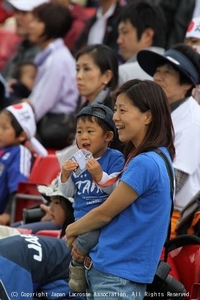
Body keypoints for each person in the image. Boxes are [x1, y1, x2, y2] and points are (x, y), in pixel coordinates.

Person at [65, 79, 175, 299]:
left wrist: (72, 229)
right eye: (115, 109)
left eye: (122, 110)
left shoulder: (145, 162)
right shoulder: (157, 157)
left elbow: (105, 213)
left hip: (116, 275)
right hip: (117, 272)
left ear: (148, 116)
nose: (115, 117)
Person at [58, 103, 125, 292]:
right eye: (79, 132)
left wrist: (99, 175)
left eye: (90, 131)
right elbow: (68, 192)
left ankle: (76, 261)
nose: (83, 136)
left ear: (108, 136)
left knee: (88, 239)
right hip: (81, 217)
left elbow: (116, 191)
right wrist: (64, 175)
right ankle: (77, 265)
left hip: (103, 218)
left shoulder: (115, 158)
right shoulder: (77, 158)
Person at [137, 43, 200, 238]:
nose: (157, 77)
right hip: (149, 209)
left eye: (168, 72)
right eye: (157, 71)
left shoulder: (193, 121)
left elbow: (173, 183)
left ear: (187, 84)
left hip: (175, 219)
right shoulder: (157, 112)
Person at [22, 2, 79, 149]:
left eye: (38, 21)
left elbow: (39, 106)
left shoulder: (58, 59)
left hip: (56, 126)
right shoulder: (51, 56)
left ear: (52, 26)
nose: (31, 25)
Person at [0, 102, 47, 225]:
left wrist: (7, 214)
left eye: (4, 128)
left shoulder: (20, 152)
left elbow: (18, 187)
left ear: (22, 135)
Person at [75, 43, 123, 151]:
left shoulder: (114, 110)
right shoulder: (86, 106)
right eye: (77, 69)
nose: (79, 76)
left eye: (86, 69)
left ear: (106, 76)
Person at [118, 1, 167, 85]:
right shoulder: (176, 74)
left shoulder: (123, 73)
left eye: (125, 32)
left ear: (147, 35)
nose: (119, 40)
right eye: (119, 34)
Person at [2, 0, 48, 81]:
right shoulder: (21, 49)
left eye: (24, 12)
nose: (17, 17)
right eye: (16, 11)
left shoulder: (43, 53)